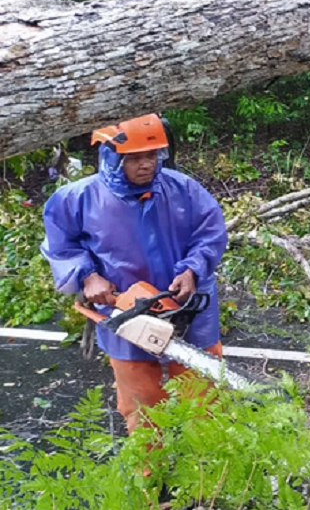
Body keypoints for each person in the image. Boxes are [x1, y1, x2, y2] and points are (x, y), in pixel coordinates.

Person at [40, 114, 228, 434]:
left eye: (151, 156)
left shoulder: (183, 190)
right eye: (135, 158)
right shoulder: (78, 199)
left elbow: (210, 233)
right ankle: (149, 477)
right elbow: (61, 245)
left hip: (187, 305)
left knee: (203, 393)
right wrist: (87, 276)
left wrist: (193, 270)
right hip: (125, 310)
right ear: (112, 157)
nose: (146, 165)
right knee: (141, 401)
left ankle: (203, 471)